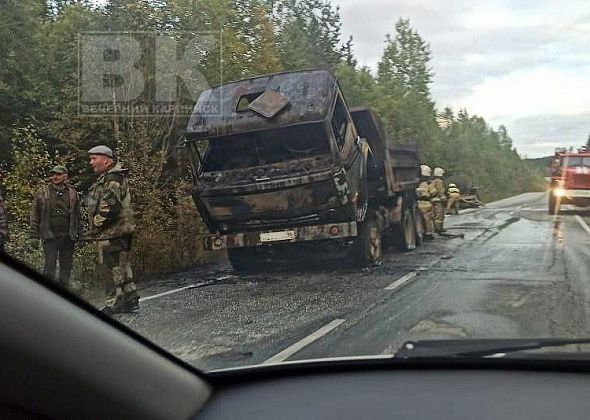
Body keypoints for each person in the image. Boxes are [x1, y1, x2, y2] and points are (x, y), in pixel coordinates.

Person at [86, 145, 139, 314]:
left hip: (112, 231)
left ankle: (114, 302)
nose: (91, 162)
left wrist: (96, 223)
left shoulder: (112, 179)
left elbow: (110, 207)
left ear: (106, 160)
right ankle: (130, 298)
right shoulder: (113, 176)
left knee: (110, 267)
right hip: (121, 230)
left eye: (94, 158)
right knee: (122, 265)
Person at [30, 165, 81, 287]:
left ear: (65, 176)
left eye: (58, 174)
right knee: (49, 266)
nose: (55, 177)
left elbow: (77, 216)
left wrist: (81, 234)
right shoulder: (43, 192)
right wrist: (33, 235)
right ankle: (45, 294)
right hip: (50, 236)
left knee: (66, 267)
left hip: (68, 236)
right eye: (53, 174)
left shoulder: (73, 193)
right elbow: (35, 214)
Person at [416, 165, 435, 239]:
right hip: (427, 205)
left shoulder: (417, 184)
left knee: (421, 220)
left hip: (418, 205)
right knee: (428, 220)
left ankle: (421, 231)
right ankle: (428, 234)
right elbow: (433, 193)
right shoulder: (429, 184)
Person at [431, 167, 447, 233]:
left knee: (435, 215)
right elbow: (440, 190)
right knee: (439, 215)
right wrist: (444, 199)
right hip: (438, 200)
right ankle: (439, 229)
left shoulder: (433, 181)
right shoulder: (439, 181)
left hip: (433, 200)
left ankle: (436, 228)